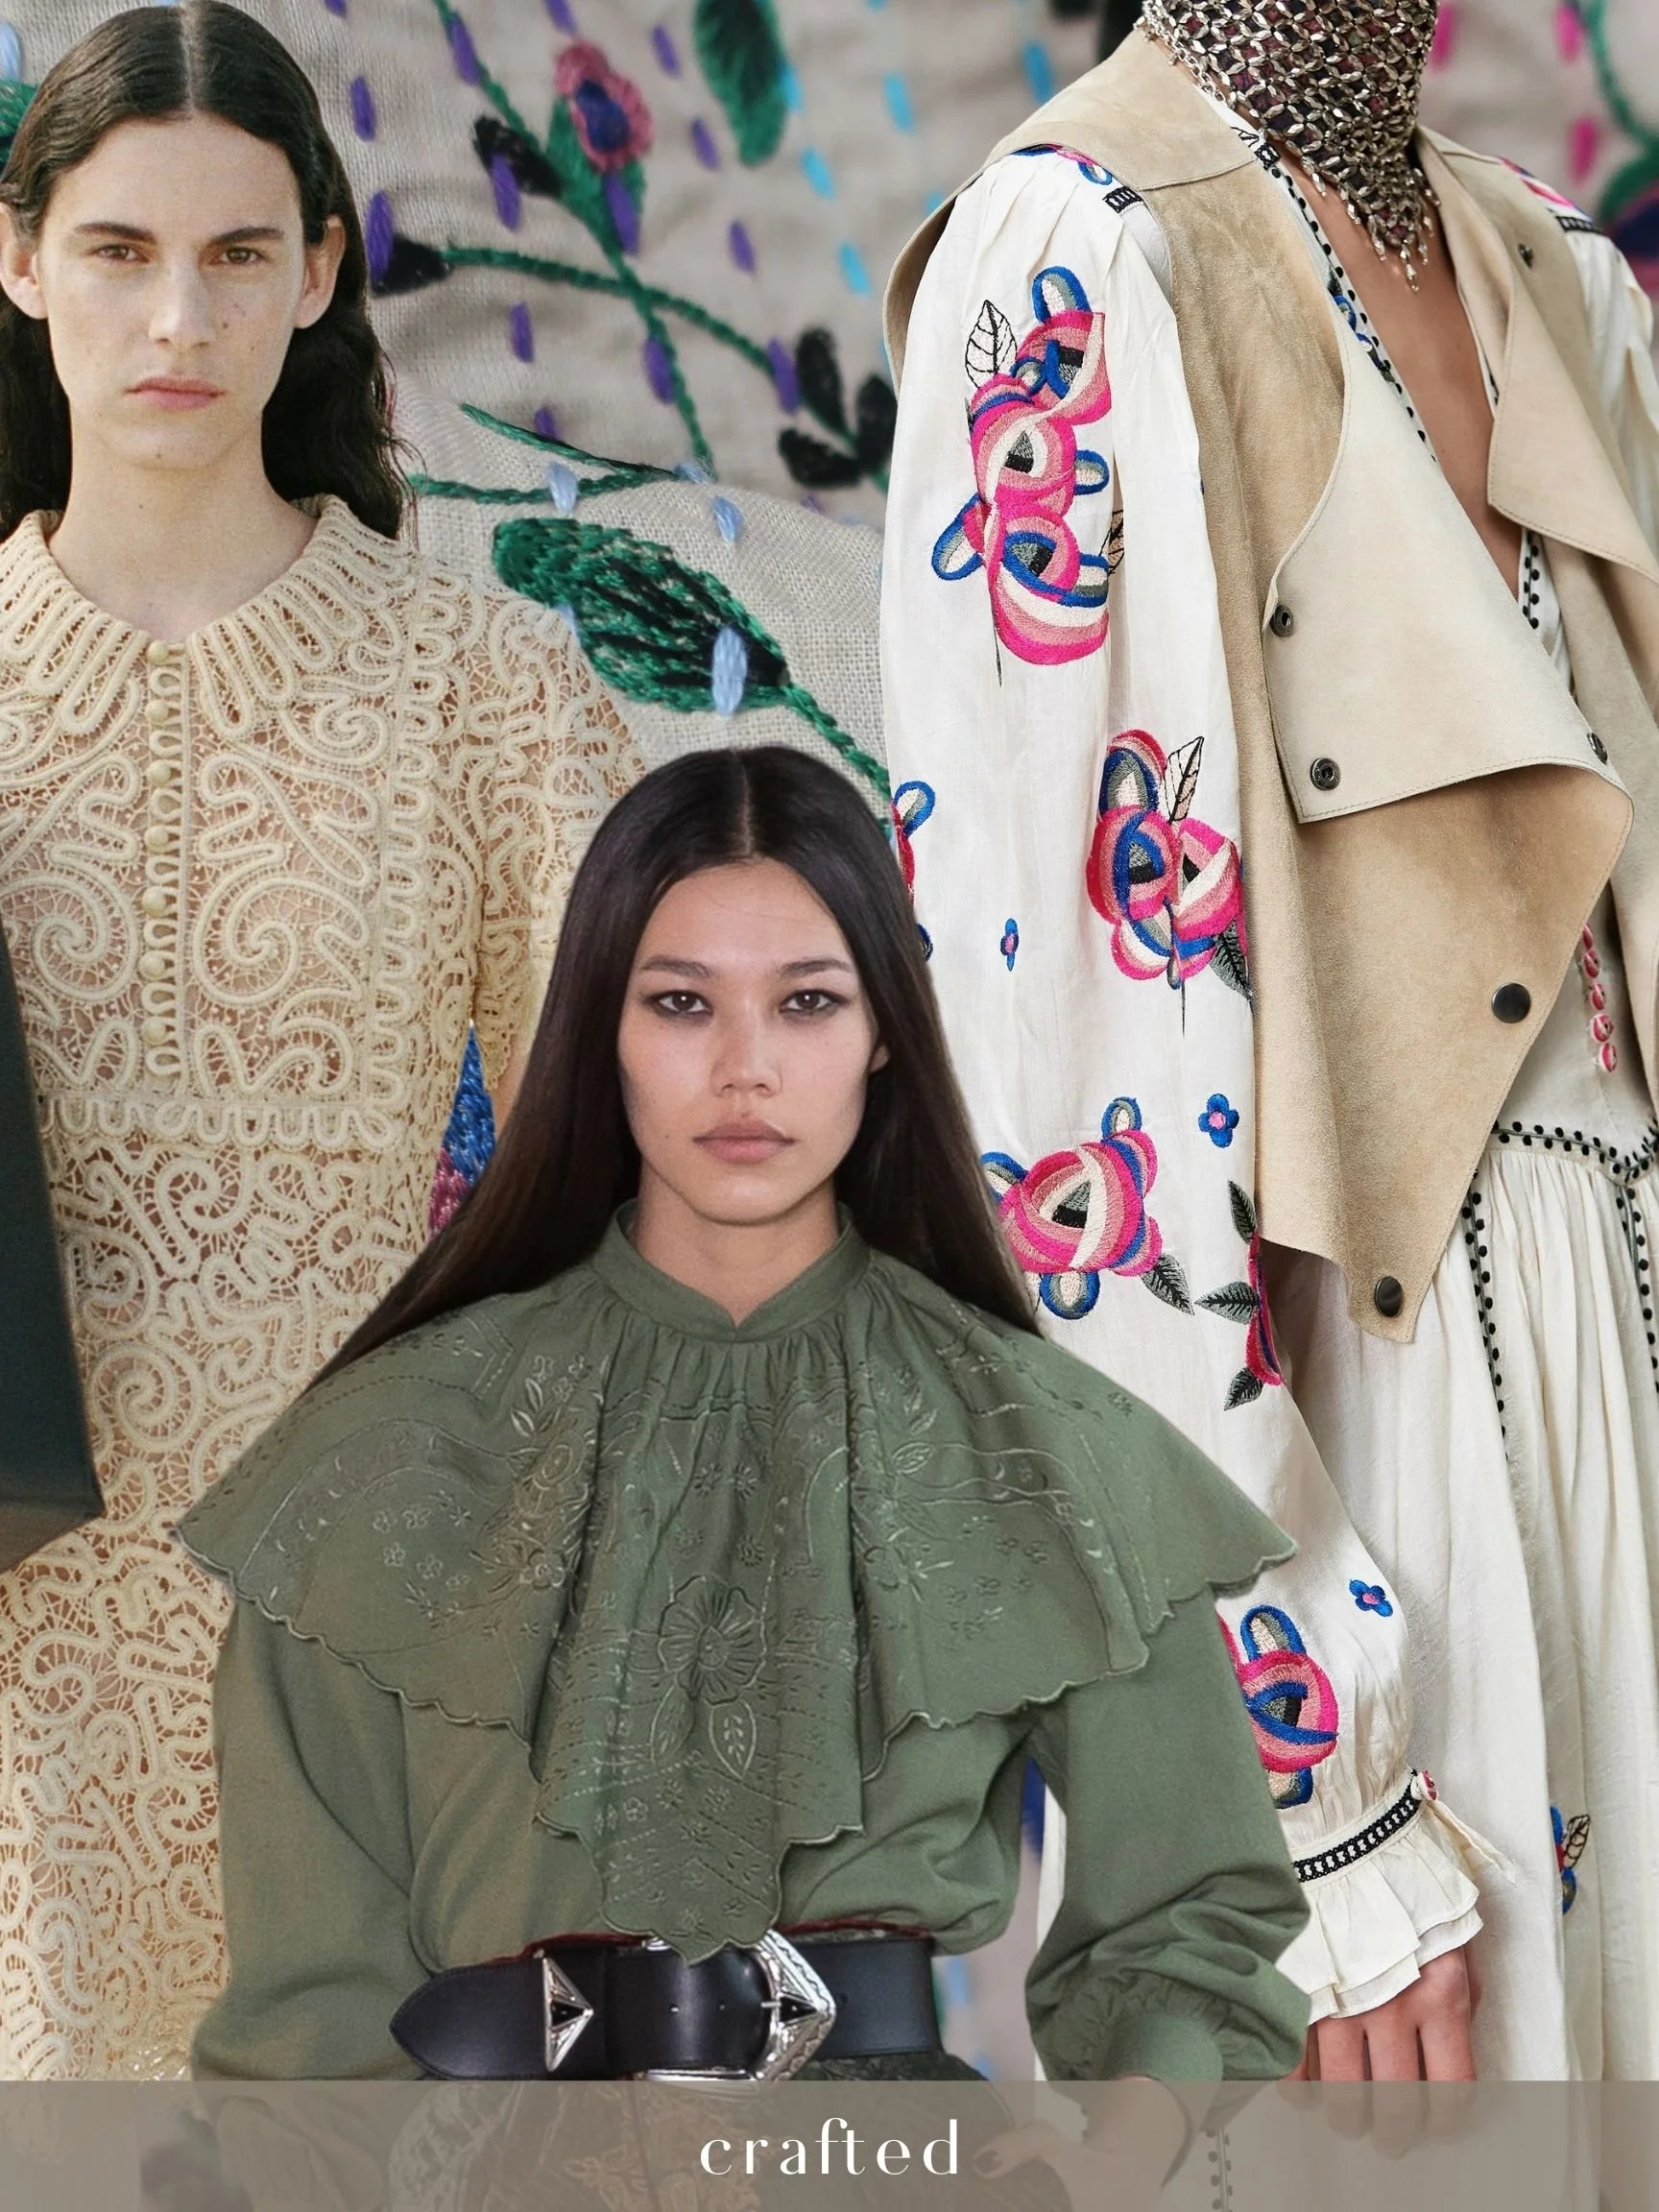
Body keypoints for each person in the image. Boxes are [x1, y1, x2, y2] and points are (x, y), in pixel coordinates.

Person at [880, 0, 1659, 2081]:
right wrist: (1299, 1793)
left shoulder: (1559, 270)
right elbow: (1055, 1097)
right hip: (1364, 1436)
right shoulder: (1077, 250)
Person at [177, 746, 1308, 2169]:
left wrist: (1107, 2168)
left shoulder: (1042, 1447)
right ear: (601, 1026)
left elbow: (1194, 1913)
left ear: (885, 1031)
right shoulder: (386, 1452)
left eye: (808, 1002)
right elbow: (303, 2030)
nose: (745, 1067)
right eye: (680, 1002)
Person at [0, 0, 639, 2078]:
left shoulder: (492, 693)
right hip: (23, 1673)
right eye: (118, 251)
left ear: (321, 272)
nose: (178, 317)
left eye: (238, 254)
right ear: (19, 260)